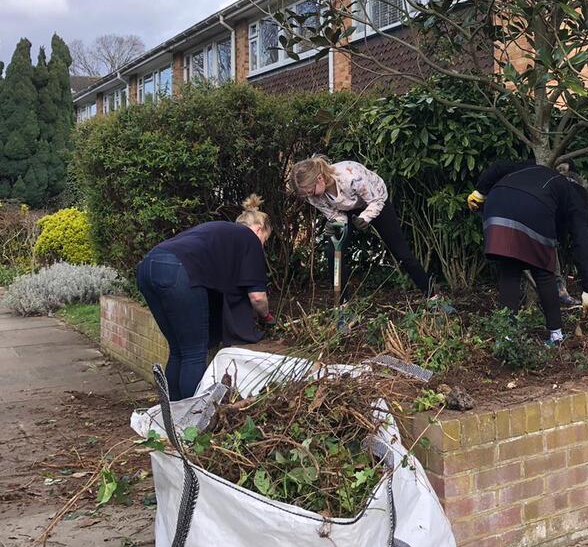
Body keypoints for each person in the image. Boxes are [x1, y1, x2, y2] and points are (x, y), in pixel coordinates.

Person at [136, 195, 273, 401]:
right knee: (193, 353)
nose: (262, 245)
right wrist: (266, 316)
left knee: (179, 350)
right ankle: (193, 419)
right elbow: (257, 297)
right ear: (259, 230)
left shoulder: (221, 232)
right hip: (179, 272)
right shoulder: (249, 239)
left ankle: (172, 413)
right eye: (265, 240)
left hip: (148, 267)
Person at [468, 160, 588, 345]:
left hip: (497, 202)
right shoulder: (575, 193)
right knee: (544, 271)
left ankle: (507, 337)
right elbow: (581, 240)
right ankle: (556, 336)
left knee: (510, 270)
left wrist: (480, 192)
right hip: (534, 208)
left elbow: (498, 167)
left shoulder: (533, 168)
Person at [289, 156, 434, 299]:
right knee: (333, 253)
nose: (309, 196)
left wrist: (365, 218)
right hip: (347, 208)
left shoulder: (350, 176)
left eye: (310, 191)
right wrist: (336, 225)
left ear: (320, 178)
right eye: (305, 194)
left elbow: (376, 200)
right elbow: (335, 215)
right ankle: (342, 306)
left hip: (375, 201)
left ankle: (432, 297)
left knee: (402, 252)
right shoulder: (312, 196)